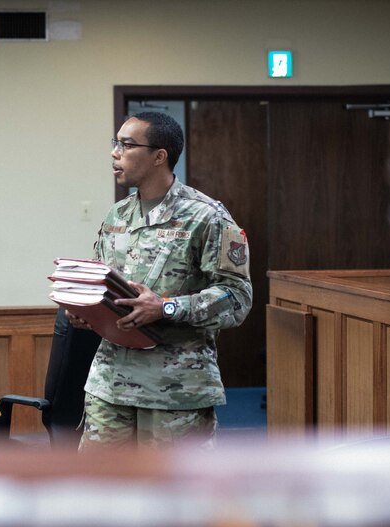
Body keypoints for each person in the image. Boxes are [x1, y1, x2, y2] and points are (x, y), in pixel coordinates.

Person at [68, 111, 253, 451]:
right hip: (110, 386)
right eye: (116, 143)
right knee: (99, 493)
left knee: (175, 500)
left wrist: (166, 307)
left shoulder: (206, 216)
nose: (115, 152)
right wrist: (84, 310)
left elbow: (237, 298)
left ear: (159, 156)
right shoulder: (117, 215)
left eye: (126, 144)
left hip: (176, 390)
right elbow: (100, 281)